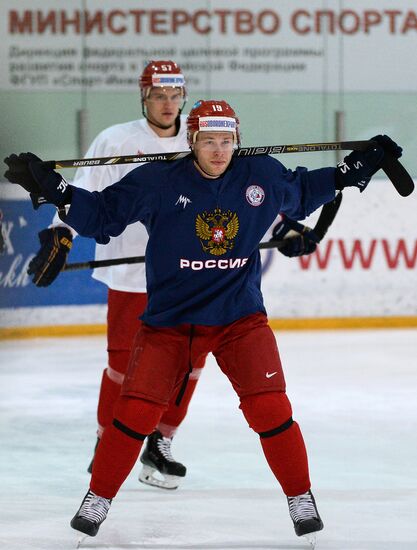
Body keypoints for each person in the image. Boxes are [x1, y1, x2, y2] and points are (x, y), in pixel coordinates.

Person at [4, 100, 402, 544]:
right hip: (170, 323)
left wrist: (356, 168)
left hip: (239, 319)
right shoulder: (159, 181)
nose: (218, 150)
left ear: (237, 141)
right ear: (192, 141)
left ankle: (301, 497)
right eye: (208, 140)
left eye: (226, 140)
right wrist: (58, 191)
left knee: (270, 408)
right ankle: (98, 497)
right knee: (135, 411)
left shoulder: (261, 176)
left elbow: (307, 189)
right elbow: (102, 215)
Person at [24, 60, 201, 490]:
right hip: (129, 273)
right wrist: (59, 236)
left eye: (175, 95)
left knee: (189, 366)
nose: (168, 103)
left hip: (189, 272)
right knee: (124, 366)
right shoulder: (115, 139)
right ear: (144, 97)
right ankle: (107, 440)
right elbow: (80, 193)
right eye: (159, 95)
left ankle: (160, 442)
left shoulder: (200, 138)